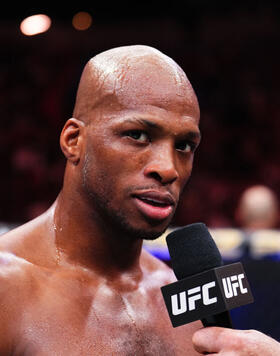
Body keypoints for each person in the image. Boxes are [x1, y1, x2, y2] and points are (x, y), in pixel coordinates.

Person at [0, 45, 279, 356]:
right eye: (138, 135)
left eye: (185, 145)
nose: (168, 168)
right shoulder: (7, 289)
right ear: (73, 141)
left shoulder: (186, 298)